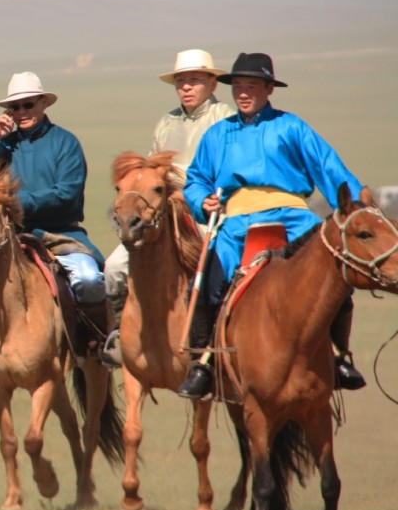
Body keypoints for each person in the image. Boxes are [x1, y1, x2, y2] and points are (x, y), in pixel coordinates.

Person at [177, 52, 366, 398]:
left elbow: (328, 167)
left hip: (294, 218)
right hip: (236, 223)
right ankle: (203, 363)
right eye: (237, 86)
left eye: (251, 86)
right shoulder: (218, 134)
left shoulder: (291, 127)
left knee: (338, 274)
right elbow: (196, 180)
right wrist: (202, 200)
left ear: (268, 89)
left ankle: (340, 356)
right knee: (203, 284)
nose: (243, 93)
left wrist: (357, 202)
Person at [0, 72, 107, 376]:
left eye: (27, 104)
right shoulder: (5, 146)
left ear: (43, 102)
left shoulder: (65, 143)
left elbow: (67, 193)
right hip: (9, 236)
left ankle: (94, 343)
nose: (21, 113)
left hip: (59, 233)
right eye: (14, 108)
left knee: (88, 278)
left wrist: (17, 204)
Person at [100, 49, 233, 367]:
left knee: (218, 270)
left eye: (195, 80)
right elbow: (151, 170)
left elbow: (229, 166)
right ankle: (122, 335)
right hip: (165, 211)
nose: (186, 87)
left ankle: (218, 336)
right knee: (114, 267)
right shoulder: (166, 122)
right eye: (181, 81)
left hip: (205, 212)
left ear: (212, 84)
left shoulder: (225, 118)